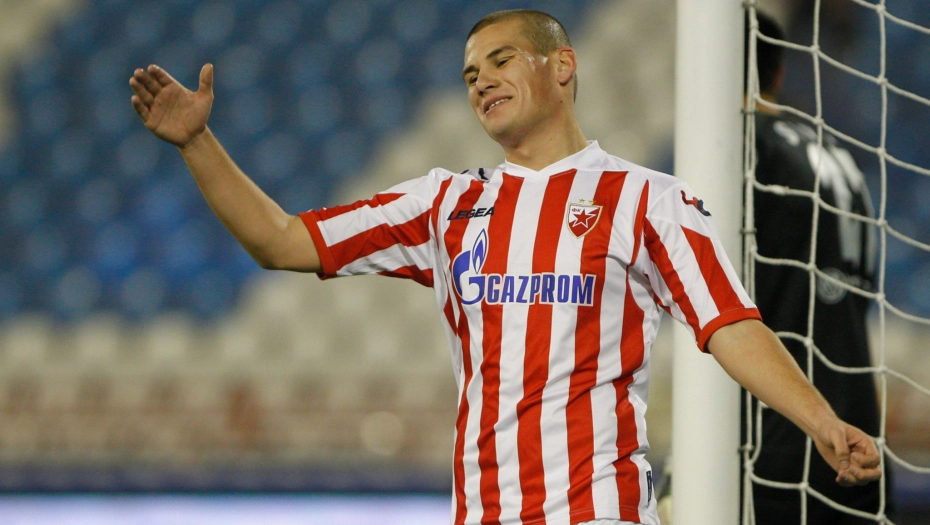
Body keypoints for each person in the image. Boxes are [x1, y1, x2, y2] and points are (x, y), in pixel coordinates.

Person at [129, 9, 881, 525]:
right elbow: (281, 241)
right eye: (468, 75)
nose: (481, 80)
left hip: (598, 511)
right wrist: (198, 143)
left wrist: (821, 419)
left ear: (563, 65)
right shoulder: (444, 203)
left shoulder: (648, 199)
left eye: (500, 60)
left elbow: (730, 323)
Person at [746, 11, 892, 524]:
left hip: (771, 444)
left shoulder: (741, 153)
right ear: (780, 72)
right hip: (859, 432)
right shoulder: (837, 155)